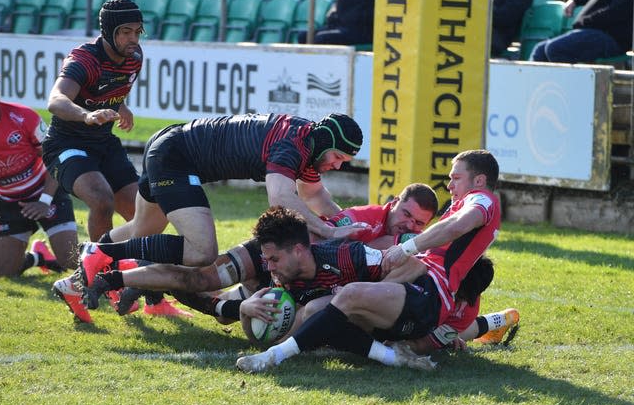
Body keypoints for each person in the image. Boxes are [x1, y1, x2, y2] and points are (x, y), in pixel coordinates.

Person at [235, 149, 501, 372]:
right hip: (417, 287)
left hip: (431, 296)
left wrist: (407, 247)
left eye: (456, 178)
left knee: (345, 297)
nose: (450, 185)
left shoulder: (482, 199)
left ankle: (273, 357)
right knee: (329, 310)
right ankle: (392, 358)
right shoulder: (456, 213)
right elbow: (420, 261)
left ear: (478, 180)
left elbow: (454, 227)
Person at [76, 112, 366, 291]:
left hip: (170, 143)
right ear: (326, 144)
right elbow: (280, 198)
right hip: (176, 156)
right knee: (202, 252)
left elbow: (315, 195)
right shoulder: (294, 144)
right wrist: (329, 232)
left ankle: (78, 276)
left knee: (142, 230)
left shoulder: (309, 142)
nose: (338, 166)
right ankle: (99, 253)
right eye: (338, 158)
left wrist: (345, 223)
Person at [74, 183, 439, 321]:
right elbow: (315, 237)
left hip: (295, 279)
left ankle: (154, 282)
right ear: (394, 204)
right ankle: (117, 274)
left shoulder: (400, 244)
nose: (410, 226)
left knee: (215, 307)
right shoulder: (361, 219)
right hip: (277, 253)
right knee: (203, 277)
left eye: (419, 224)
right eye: (407, 214)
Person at [42, 0, 144, 242]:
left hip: (104, 143)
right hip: (66, 145)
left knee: (144, 211)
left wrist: (122, 105)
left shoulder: (135, 57)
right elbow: (56, 100)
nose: (134, 39)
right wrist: (86, 116)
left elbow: (107, 86)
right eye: (126, 32)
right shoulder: (85, 60)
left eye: (138, 32)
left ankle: (130, 262)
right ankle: (97, 269)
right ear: (109, 32)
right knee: (101, 200)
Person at [0, 73, 78, 278]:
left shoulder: (23, 117)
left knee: (71, 261)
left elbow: (55, 158)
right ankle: (37, 257)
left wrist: (44, 201)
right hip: (8, 200)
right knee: (5, 272)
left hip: (45, 191)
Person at [529, 0, 633, 63]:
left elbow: (616, 12)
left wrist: (584, 21)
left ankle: (570, 92)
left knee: (555, 49)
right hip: (596, 33)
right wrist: (576, 1)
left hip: (611, 39)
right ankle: (532, 92)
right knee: (540, 50)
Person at [298, 0, 375, 46]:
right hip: (343, 27)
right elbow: (337, 14)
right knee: (303, 36)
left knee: (321, 38)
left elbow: (365, 17)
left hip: (361, 32)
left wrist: (343, 18)